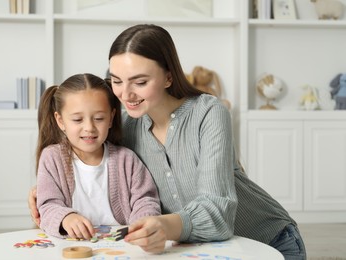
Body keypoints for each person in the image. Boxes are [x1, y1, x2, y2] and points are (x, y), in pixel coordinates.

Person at [29, 24, 306, 259]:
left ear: (168, 77)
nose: (125, 94)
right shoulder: (127, 126)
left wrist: (164, 226)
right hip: (204, 249)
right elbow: (91, 160)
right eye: (116, 81)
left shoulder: (209, 112)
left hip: (267, 242)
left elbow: (217, 211)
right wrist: (47, 194)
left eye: (139, 81)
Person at [35, 73, 161, 239]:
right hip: (70, 246)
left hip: (125, 244)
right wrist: (66, 218)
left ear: (111, 118)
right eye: (78, 119)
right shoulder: (52, 158)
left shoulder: (126, 159)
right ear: (60, 121)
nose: (89, 127)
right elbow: (48, 204)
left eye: (99, 118)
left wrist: (142, 224)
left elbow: (145, 199)